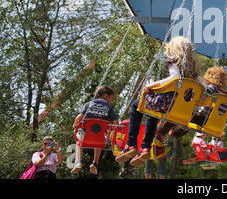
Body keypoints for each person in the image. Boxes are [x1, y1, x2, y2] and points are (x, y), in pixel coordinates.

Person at [116, 36, 205, 167]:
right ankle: (145, 147)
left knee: (137, 105)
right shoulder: (194, 70)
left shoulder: (173, 61)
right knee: (152, 112)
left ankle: (131, 144)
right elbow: (204, 86)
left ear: (174, 49)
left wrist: (152, 85)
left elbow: (174, 77)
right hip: (182, 108)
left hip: (167, 104)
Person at [71, 85, 119, 175]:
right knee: (101, 136)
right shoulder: (109, 108)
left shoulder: (88, 104)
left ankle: (77, 161)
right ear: (105, 96)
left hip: (84, 138)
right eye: (112, 98)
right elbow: (116, 123)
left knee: (78, 141)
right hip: (100, 140)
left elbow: (78, 118)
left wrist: (75, 124)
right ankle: (95, 163)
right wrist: (113, 128)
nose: (112, 101)